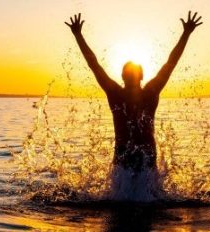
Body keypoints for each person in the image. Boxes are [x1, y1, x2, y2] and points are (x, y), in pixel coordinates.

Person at [65, 11, 202, 173]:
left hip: (134, 154)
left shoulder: (120, 93)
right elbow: (93, 64)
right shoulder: (145, 92)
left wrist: (186, 34)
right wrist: (78, 36)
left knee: (125, 194)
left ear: (123, 76)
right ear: (134, 76)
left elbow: (94, 64)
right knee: (149, 194)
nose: (130, 76)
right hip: (137, 153)